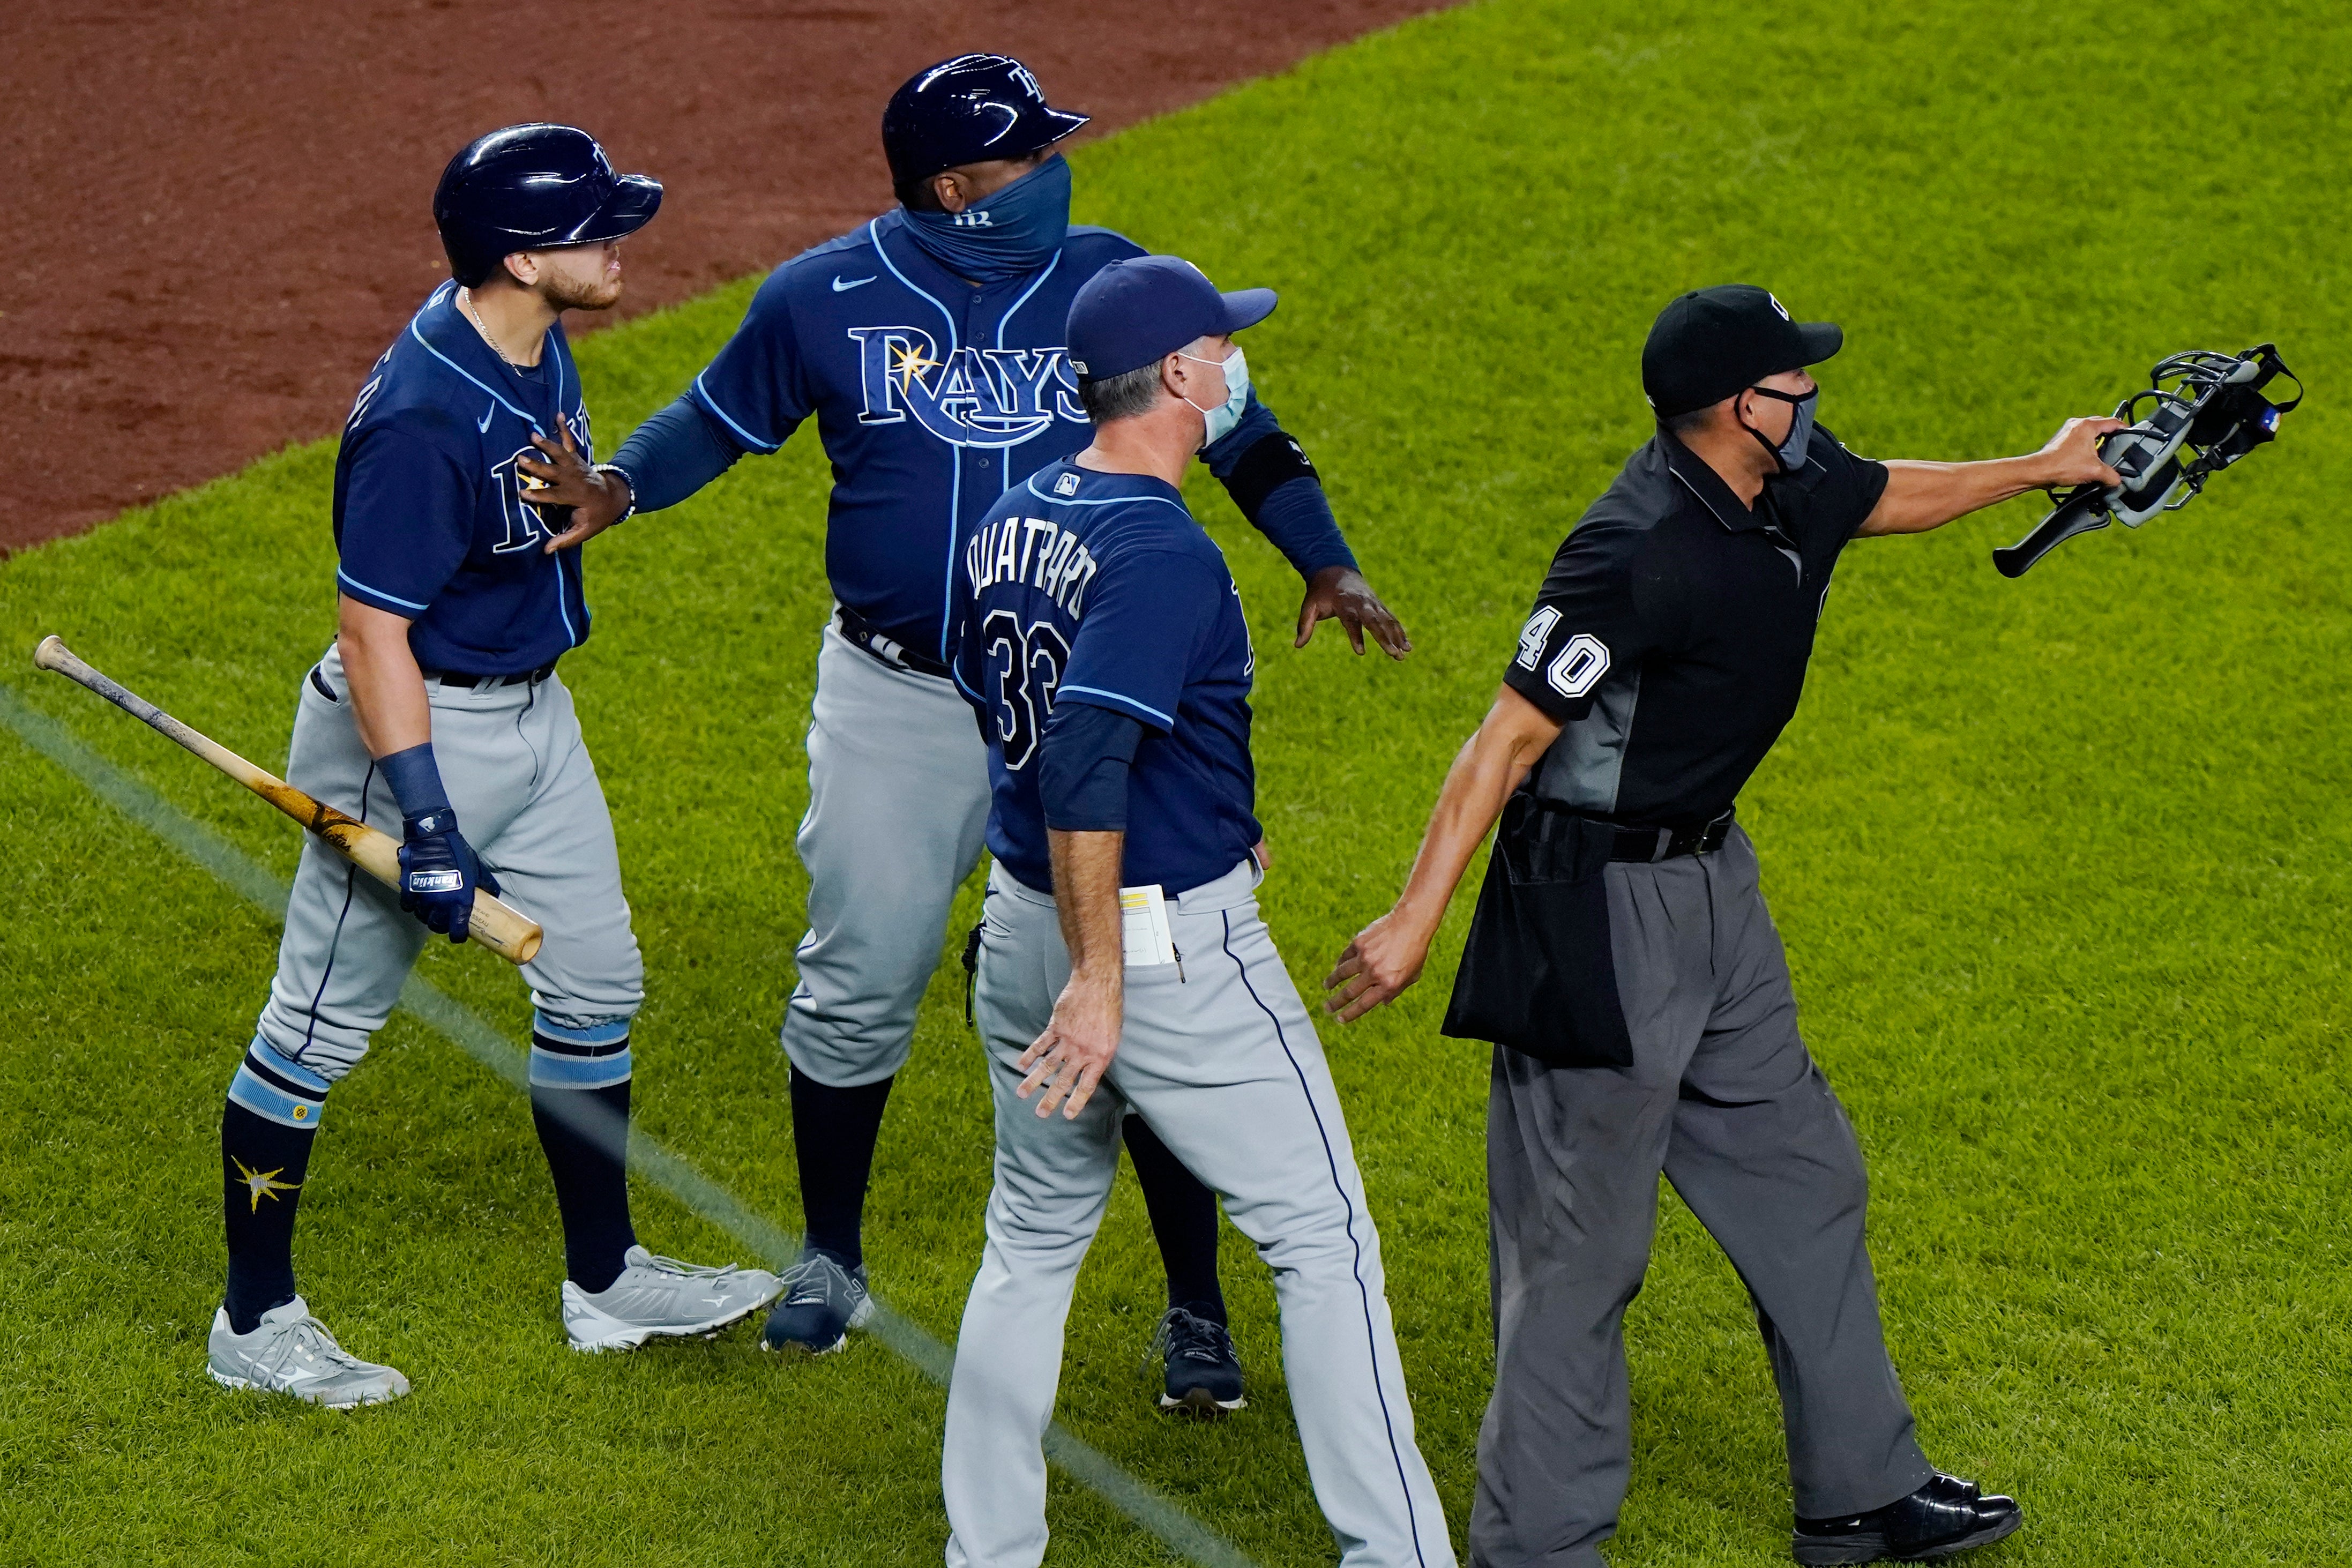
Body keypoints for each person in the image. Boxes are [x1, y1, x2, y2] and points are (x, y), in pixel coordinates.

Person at [517, 55, 1409, 1403]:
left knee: (1144, 985)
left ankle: (1195, 1306)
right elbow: (719, 416)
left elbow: (1243, 434)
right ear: (952, 186)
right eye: (1028, 158)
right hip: (901, 699)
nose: (1057, 175)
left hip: (1090, 699)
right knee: (859, 971)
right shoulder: (823, 295)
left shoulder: (1113, 285)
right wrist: (625, 485)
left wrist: (1322, 560)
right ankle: (830, 1256)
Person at [1322, 284, 2126, 1566]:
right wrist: (1416, 916)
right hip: (1590, 905)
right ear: (1735, 407)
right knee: (1578, 1253)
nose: (1811, 392)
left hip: (1713, 882)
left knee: (1803, 1171)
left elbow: (1880, 495)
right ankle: (1535, 1548)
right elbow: (1502, 740)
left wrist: (2041, 467)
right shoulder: (1630, 548)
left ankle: (1858, 1496)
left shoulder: (1782, 482)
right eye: (1791, 379)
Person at [204, 125, 782, 1409]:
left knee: (595, 982)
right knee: (314, 1027)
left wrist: (605, 492)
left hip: (533, 717)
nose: (618, 240)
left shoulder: (523, 331)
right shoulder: (422, 417)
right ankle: (253, 1320)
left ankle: (606, 1278)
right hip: (414, 734)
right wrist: (422, 819)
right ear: (522, 255)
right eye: (593, 226)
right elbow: (373, 634)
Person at [939, 252, 1454, 1567]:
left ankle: (985, 1551)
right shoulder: (1158, 544)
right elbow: (1083, 760)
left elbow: (1023, 719)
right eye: (1221, 350)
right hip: (1153, 949)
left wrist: (1210, 807)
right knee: (1322, 1236)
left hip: (1017, 922)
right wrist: (1105, 974)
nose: (1234, 365)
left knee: (1030, 1244)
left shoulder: (1011, 512)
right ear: (1177, 375)